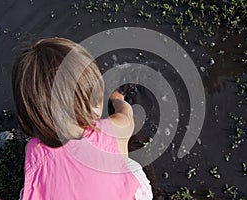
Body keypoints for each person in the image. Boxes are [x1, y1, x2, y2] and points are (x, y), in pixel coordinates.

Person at [11, 38, 153, 200]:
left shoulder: (35, 150)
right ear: (96, 103)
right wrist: (118, 99)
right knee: (130, 167)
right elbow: (127, 116)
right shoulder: (111, 129)